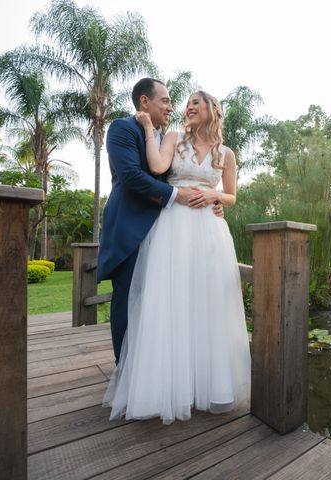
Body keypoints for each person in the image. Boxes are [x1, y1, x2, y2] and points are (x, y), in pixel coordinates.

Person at [103, 91, 251, 423]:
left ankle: (204, 386)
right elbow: (156, 166)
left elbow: (231, 195)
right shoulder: (173, 138)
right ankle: (169, 388)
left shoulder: (225, 154)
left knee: (206, 303)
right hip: (173, 230)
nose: (187, 109)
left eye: (195, 104)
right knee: (171, 302)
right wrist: (144, 129)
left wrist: (216, 194)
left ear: (213, 110)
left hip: (209, 232)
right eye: (186, 106)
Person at [97, 78, 223, 364]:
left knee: (158, 304)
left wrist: (213, 201)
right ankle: (125, 372)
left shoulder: (169, 138)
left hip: (165, 231)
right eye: (165, 100)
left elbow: (179, 173)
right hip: (130, 230)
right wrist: (179, 195)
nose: (170, 106)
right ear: (145, 101)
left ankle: (155, 370)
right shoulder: (122, 129)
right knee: (129, 301)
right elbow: (130, 176)